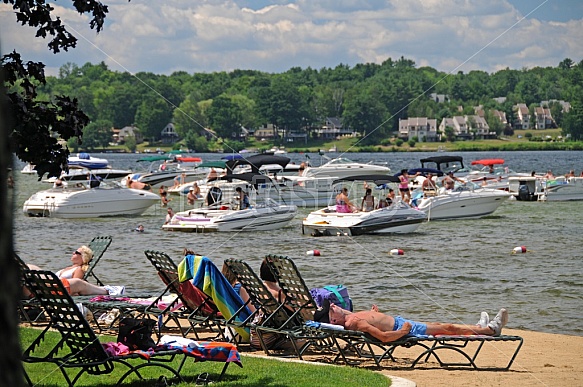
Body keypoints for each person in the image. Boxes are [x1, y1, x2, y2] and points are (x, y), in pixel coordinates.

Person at [317, 301, 509, 343]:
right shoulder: (354, 323)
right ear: (334, 319)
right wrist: (403, 332)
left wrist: (375, 313)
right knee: (446, 328)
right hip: (402, 328)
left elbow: (375, 323)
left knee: (441, 325)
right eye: (331, 308)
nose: (333, 304)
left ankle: (478, 328)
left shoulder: (349, 317)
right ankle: (491, 330)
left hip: (400, 323)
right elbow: (383, 337)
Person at [25, 246, 124, 296]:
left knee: (29, 268)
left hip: (57, 289)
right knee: (28, 266)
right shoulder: (67, 268)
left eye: (76, 252)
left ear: (83, 257)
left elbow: (75, 287)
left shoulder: (79, 269)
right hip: (49, 286)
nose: (73, 253)